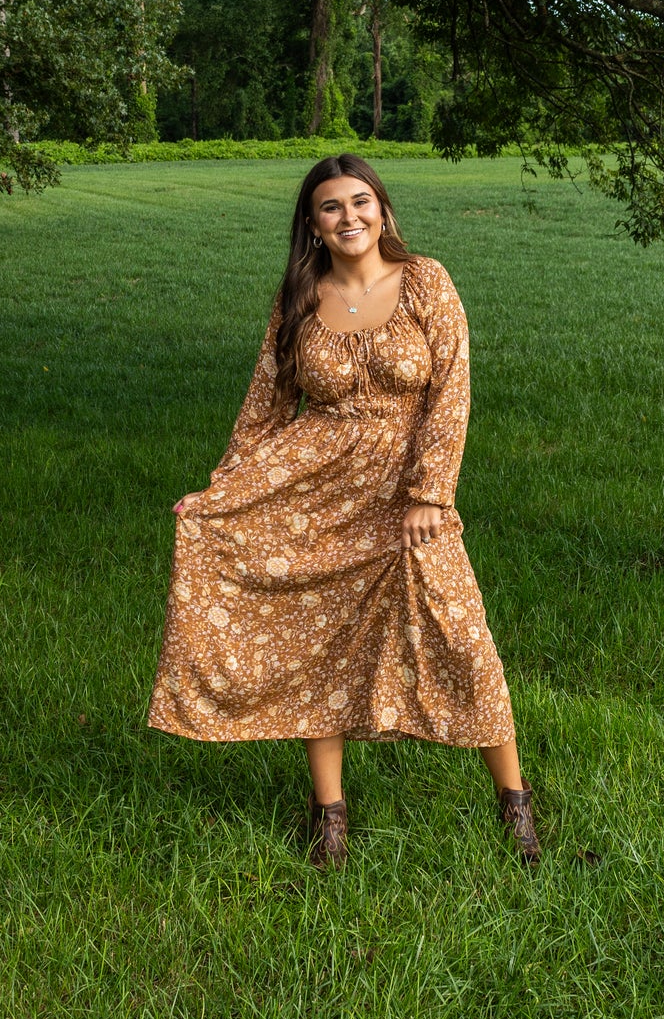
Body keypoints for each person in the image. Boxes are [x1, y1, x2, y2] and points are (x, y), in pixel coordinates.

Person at [147, 154, 540, 871]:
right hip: (313, 492)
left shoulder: (425, 280)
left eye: (361, 201)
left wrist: (430, 493)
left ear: (383, 211)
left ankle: (514, 804)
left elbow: (451, 392)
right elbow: (266, 400)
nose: (349, 216)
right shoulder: (300, 293)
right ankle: (329, 815)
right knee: (314, 643)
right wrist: (221, 491)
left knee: (462, 637)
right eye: (332, 206)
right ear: (313, 224)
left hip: (406, 499)